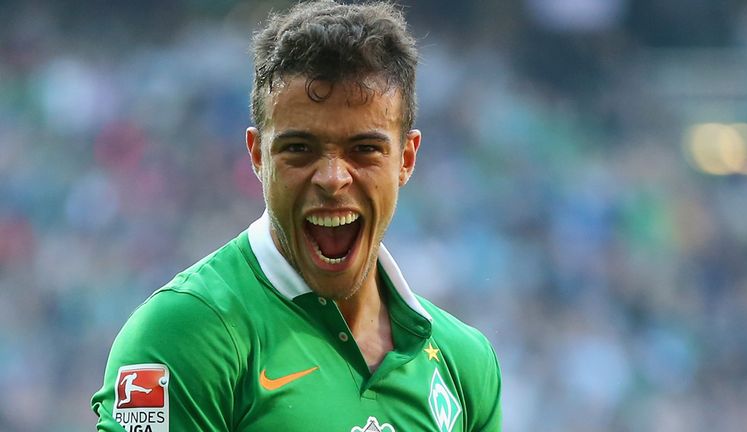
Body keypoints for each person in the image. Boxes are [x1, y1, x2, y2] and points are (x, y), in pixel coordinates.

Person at [91, 1, 502, 431]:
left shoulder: (464, 362)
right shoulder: (185, 334)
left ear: (406, 158)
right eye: (299, 149)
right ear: (257, 155)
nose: (331, 178)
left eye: (364, 149)